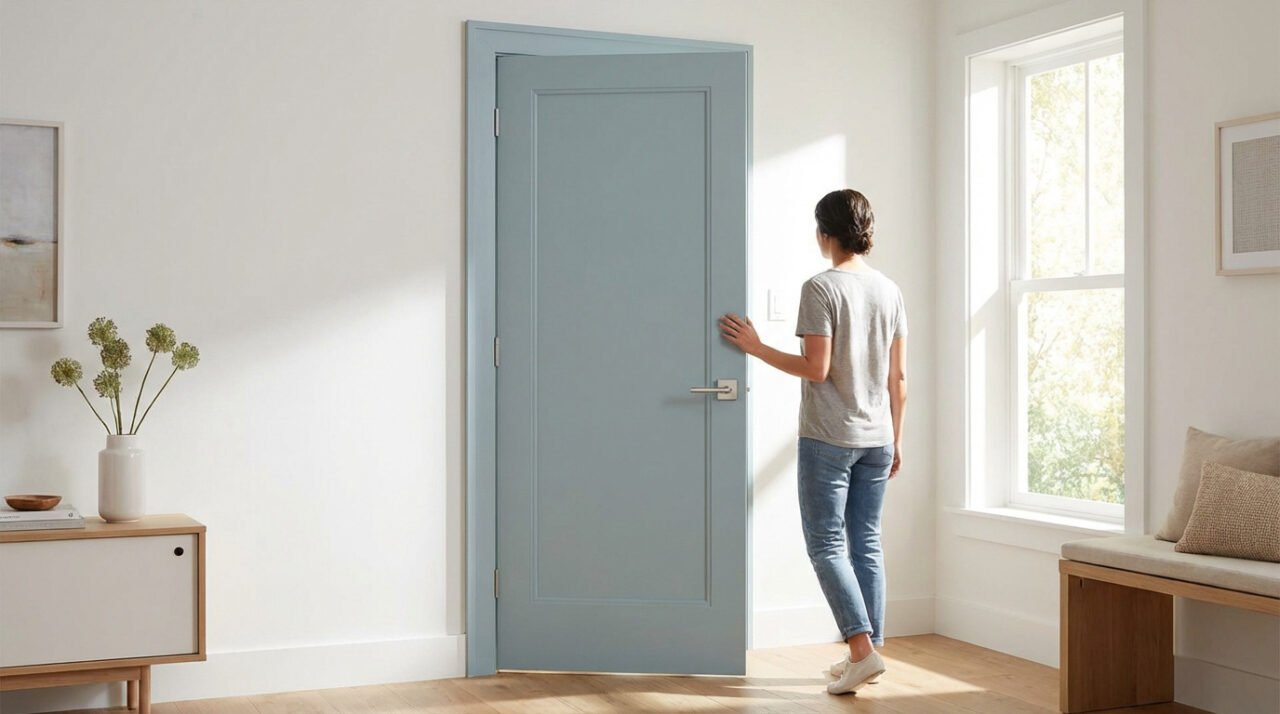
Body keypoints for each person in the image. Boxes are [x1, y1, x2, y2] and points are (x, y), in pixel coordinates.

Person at [719, 189, 908, 695]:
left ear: (824, 234)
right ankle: (868, 653)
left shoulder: (821, 287)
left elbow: (816, 368)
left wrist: (756, 347)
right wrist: (897, 439)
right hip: (878, 437)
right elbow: (899, 378)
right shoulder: (889, 290)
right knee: (866, 542)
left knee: (826, 544)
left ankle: (862, 653)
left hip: (829, 437)